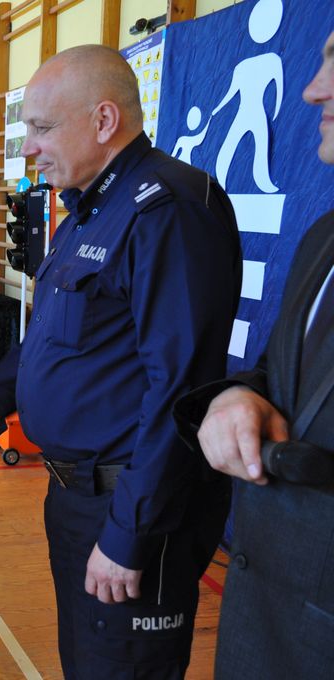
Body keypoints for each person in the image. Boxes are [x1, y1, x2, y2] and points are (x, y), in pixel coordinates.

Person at [0, 45, 243, 680]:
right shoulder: (89, 210)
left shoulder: (168, 210)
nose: (30, 148)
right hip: (75, 496)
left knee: (119, 668)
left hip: (133, 505)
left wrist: (128, 533)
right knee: (86, 663)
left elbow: (180, 390)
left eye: (42, 127)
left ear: (104, 120)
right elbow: (46, 345)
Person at [173, 30, 334, 680]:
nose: (312, 90)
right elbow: (279, 374)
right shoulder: (323, 237)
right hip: (263, 626)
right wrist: (241, 395)